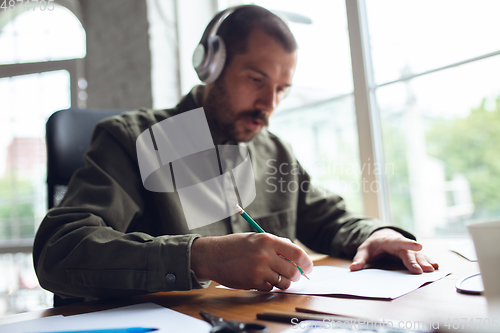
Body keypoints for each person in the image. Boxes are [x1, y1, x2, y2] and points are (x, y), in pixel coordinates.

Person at [33, 5, 438, 302]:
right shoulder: (133, 140)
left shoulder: (273, 150)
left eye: (281, 89)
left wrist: (376, 234)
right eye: (256, 79)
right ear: (209, 65)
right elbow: (59, 250)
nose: (268, 104)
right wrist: (200, 257)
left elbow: (329, 218)